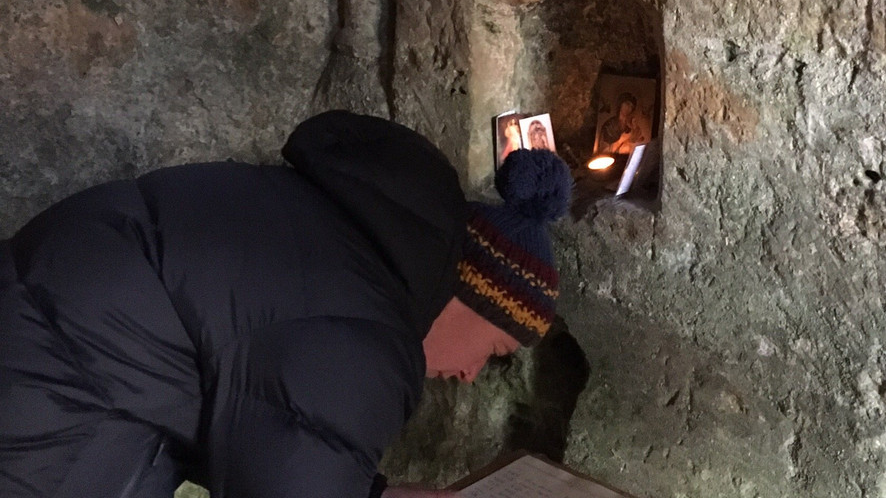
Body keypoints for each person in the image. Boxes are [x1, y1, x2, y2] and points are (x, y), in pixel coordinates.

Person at [0, 111, 572, 498]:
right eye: (494, 350)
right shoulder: (370, 337)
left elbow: (263, 416)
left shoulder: (348, 241)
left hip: (40, 328)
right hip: (51, 405)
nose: (470, 375)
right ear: (472, 296)